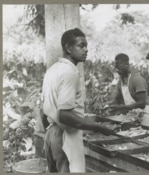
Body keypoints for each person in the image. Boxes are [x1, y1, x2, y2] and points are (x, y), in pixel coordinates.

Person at [41, 28, 114, 172]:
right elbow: (64, 114)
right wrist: (97, 127)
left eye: (86, 46)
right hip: (65, 137)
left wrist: (51, 134)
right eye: (81, 46)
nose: (86, 50)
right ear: (68, 47)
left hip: (51, 134)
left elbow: (44, 107)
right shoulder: (70, 73)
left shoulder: (53, 69)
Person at [104, 53, 149, 123]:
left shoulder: (137, 79)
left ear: (126, 64)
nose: (116, 67)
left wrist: (121, 107)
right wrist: (109, 106)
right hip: (133, 115)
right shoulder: (121, 81)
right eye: (116, 65)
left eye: (119, 65)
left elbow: (142, 102)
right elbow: (117, 99)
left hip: (145, 115)